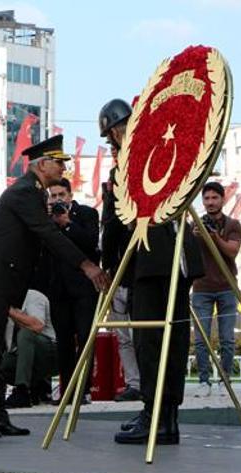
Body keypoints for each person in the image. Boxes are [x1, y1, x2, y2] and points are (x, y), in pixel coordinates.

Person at [0, 134, 110, 439]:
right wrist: (87, 265)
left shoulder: (32, 192)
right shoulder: (25, 192)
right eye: (59, 162)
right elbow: (47, 234)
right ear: (42, 165)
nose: (64, 167)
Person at [98, 98, 205, 445]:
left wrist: (109, 267)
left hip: (152, 259)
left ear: (114, 132)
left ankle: (155, 414)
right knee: (170, 339)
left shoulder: (133, 165)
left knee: (152, 341)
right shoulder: (163, 150)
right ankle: (164, 417)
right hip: (173, 257)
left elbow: (116, 224)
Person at [46, 177, 100, 403]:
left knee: (86, 337)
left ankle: (82, 389)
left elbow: (90, 242)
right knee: (64, 340)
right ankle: (67, 390)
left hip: (84, 288)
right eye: (53, 196)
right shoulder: (46, 220)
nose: (58, 199)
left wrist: (67, 223)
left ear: (70, 195)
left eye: (61, 195)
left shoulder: (86, 213)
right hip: (58, 288)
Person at [100, 107, 141, 402]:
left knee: (143, 332)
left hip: (142, 262)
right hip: (119, 265)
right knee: (124, 335)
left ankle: (148, 384)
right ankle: (135, 382)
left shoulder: (143, 162)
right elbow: (109, 223)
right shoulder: (115, 174)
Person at [191, 182, 241, 397]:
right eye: (207, 198)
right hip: (202, 287)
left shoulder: (233, 224)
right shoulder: (194, 224)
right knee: (201, 338)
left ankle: (225, 379)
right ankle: (204, 381)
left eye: (215, 198)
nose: (210, 202)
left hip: (226, 287)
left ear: (223, 199)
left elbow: (232, 251)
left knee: (227, 338)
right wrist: (195, 235)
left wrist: (214, 237)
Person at [2, 288, 58, 408]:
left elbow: (37, 325)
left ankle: (22, 390)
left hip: (50, 352)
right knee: (2, 363)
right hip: (24, 356)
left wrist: (9, 310)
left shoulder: (33, 296)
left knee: (26, 334)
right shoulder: (2, 300)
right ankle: (35, 387)